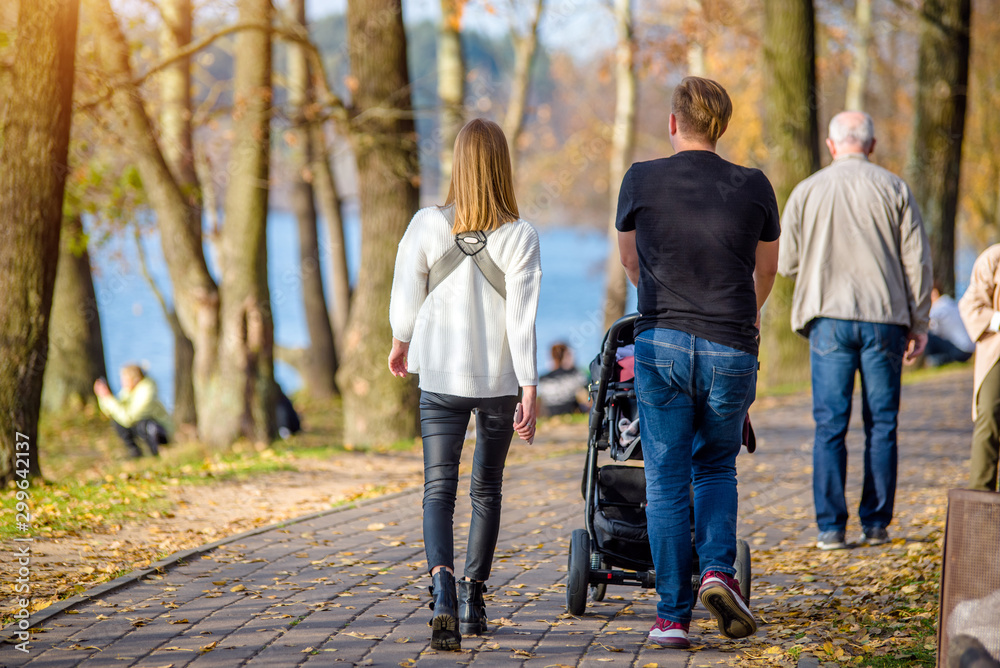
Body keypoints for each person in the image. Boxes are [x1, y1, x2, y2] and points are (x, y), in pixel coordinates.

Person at [616, 76, 779, 648]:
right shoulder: (755, 186)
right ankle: (716, 571)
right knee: (715, 466)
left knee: (664, 479)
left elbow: (632, 263)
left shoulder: (640, 178)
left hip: (660, 342)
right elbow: (765, 271)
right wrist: (744, 315)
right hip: (732, 346)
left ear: (672, 123)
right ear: (723, 127)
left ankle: (671, 619)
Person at [387, 118, 541, 651]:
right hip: (498, 381)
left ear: (458, 163)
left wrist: (401, 339)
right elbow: (522, 321)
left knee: (438, 490)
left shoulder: (428, 224)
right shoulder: (519, 236)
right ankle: (475, 601)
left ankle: (443, 592)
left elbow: (407, 290)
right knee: (486, 489)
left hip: (442, 378)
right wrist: (529, 387)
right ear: (502, 167)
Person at [778, 111, 933, 550]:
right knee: (882, 423)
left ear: (831, 146)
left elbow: (787, 261)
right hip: (885, 317)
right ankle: (876, 523)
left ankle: (830, 528)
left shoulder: (806, 191)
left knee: (830, 423)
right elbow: (917, 264)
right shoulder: (895, 188)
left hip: (828, 317)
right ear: (872, 144)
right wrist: (919, 321)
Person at [958, 244, 1000, 492]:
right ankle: (980, 502)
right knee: (989, 414)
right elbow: (970, 305)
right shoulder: (993, 258)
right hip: (997, 352)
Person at [94, 365, 172, 458]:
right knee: (118, 421)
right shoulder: (129, 391)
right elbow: (113, 411)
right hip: (140, 426)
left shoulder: (146, 391)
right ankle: (135, 453)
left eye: (125, 379)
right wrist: (104, 397)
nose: (122, 383)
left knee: (146, 425)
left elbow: (129, 418)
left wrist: (109, 399)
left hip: (161, 431)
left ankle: (155, 453)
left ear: (135, 380)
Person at [926, 283, 975, 367]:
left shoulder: (937, 308)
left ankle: (933, 360)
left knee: (926, 335)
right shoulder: (950, 302)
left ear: (935, 293)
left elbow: (933, 330)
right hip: (970, 349)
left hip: (960, 351)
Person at [538, 342, 587, 415]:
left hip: (551, 414)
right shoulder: (575, 374)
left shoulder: (543, 378)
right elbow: (586, 393)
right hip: (572, 412)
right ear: (565, 356)